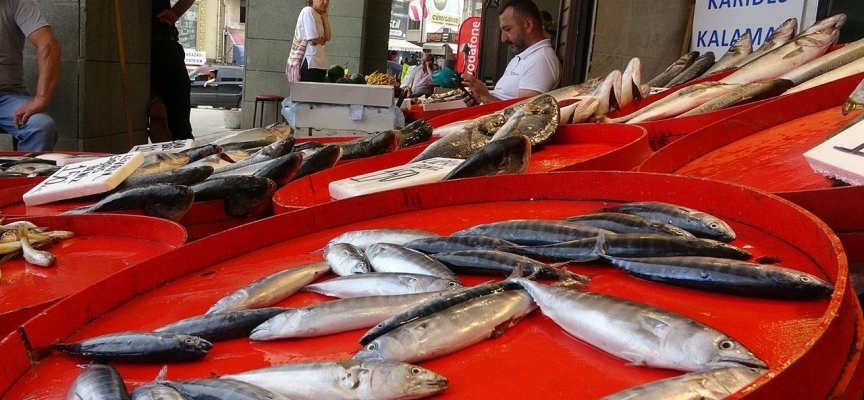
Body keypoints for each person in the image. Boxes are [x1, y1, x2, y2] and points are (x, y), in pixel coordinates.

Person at [460, 0, 560, 105]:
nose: (503, 38)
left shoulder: (541, 60)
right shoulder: (524, 56)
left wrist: (485, 97)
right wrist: (479, 102)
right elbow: (504, 100)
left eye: (507, 29)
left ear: (528, 24)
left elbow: (525, 115)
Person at [0, 0, 59, 151]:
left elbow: (49, 45)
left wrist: (41, 98)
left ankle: (27, 173)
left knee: (40, 125)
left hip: (6, 97)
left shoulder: (15, 3)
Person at [151, 0, 195, 141]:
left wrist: (175, 12)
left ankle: (155, 104)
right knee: (180, 129)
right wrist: (175, 12)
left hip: (150, 42)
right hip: (163, 42)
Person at [293, 0, 331, 82]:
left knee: (317, 93)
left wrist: (325, 18)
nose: (326, 2)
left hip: (320, 62)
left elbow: (328, 37)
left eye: (328, 0)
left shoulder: (320, 15)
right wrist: (322, 41)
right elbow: (313, 37)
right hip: (309, 60)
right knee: (308, 92)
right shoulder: (308, 11)